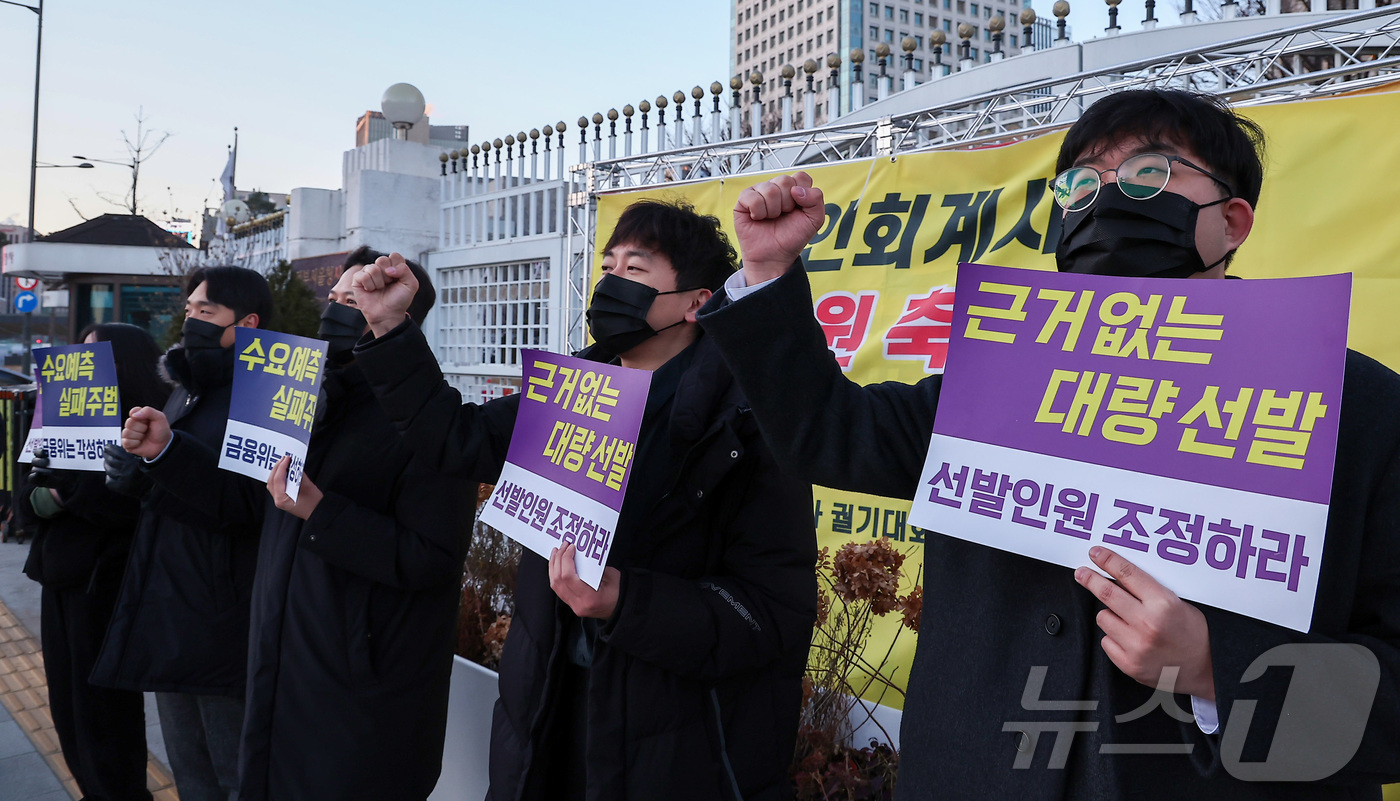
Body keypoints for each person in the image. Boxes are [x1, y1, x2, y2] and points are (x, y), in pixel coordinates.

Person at [697, 88, 1400, 798]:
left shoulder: (1358, 406)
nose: (1109, 197)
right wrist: (769, 275)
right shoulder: (995, 373)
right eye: (1082, 183)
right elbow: (830, 433)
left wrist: (1221, 670)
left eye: (1150, 173)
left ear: (1233, 220)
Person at [350, 200, 818, 801]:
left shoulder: (746, 423)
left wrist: (627, 602)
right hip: (546, 711)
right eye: (608, 267)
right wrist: (391, 327)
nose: (611, 283)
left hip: (675, 748)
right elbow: (453, 438)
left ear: (697, 303)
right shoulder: (570, 393)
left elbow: (770, 614)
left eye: (635, 270)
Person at [116, 252, 468, 801]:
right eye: (335, 298)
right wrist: (167, 451)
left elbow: (431, 559)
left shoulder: (431, 422)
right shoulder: (297, 399)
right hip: (280, 665)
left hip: (363, 694)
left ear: (402, 314)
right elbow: (243, 500)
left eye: (356, 300)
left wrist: (322, 513)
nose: (336, 311)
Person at [95, 266, 271, 801]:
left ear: (247, 323)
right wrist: (138, 470)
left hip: (223, 615)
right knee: (190, 773)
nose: (191, 319)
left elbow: (246, 506)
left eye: (206, 311)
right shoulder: (186, 388)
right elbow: (174, 488)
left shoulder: (264, 393)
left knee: (234, 776)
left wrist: (165, 458)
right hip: (169, 606)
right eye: (189, 308)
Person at [21, 323, 170, 801]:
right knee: (66, 704)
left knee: (102, 708)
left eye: (95, 354)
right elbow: (28, 493)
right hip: (58, 574)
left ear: (125, 362)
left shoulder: (147, 420)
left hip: (106, 580)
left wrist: (64, 492)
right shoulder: (59, 412)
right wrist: (49, 494)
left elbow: (123, 501)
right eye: (81, 352)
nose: (83, 364)